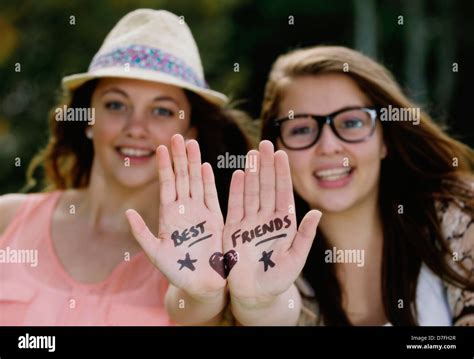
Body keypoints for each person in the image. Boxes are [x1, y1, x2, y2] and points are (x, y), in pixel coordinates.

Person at [0, 9, 251, 325]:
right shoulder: (5, 220)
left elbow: (203, 304)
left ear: (190, 132)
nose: (136, 128)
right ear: (88, 119)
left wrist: (204, 293)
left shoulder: (204, 253)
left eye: (161, 111)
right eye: (116, 105)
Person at [257, 46, 474, 325]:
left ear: (385, 140)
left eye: (351, 122)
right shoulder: (267, 264)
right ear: (275, 150)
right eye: (301, 129)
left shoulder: (457, 216)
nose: (329, 146)